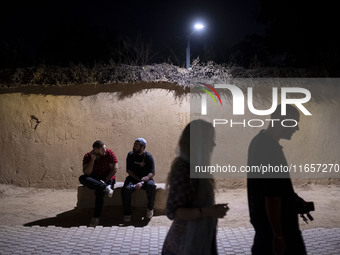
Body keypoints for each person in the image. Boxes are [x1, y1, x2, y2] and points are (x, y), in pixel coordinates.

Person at [247, 104, 308, 255]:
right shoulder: (268, 149)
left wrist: (292, 198)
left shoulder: (258, 142)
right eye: (294, 122)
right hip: (279, 233)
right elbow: (272, 196)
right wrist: (278, 236)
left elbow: (272, 187)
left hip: (266, 231)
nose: (297, 128)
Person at [162, 119, 229, 255]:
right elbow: (173, 211)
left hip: (198, 242)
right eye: (209, 139)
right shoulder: (185, 169)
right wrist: (208, 211)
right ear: (199, 142)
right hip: (182, 246)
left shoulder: (197, 168)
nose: (213, 144)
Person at [79, 140, 118, 227]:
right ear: (96, 150)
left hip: (108, 178)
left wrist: (105, 179)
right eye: (102, 149)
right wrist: (92, 160)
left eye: (105, 148)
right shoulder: (87, 156)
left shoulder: (109, 153)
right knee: (82, 178)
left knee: (100, 191)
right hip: (96, 180)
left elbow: (114, 169)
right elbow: (87, 173)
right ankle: (105, 187)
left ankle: (96, 217)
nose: (105, 151)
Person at [121, 138, 156, 222]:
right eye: (134, 145)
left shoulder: (148, 156)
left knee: (152, 187)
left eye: (136, 145)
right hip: (133, 178)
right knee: (125, 190)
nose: (134, 147)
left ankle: (150, 208)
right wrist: (138, 180)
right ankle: (127, 213)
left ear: (143, 147)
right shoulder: (130, 155)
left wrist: (143, 181)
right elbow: (128, 170)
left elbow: (152, 172)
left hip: (145, 179)